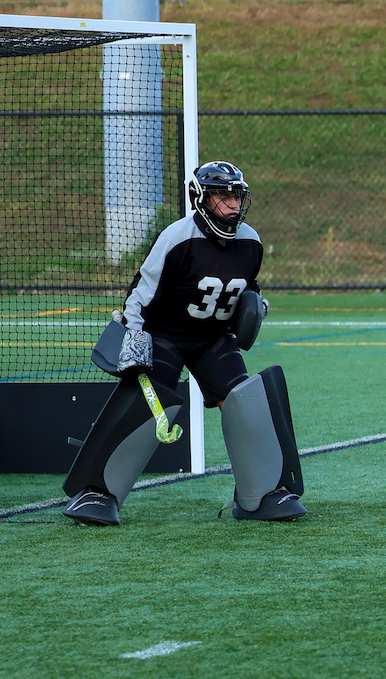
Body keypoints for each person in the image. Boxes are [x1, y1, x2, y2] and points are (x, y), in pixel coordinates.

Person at [62, 161, 306, 526]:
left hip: (213, 338)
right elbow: (141, 294)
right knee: (145, 404)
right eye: (223, 196)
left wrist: (256, 308)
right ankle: (97, 493)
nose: (233, 204)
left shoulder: (251, 242)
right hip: (165, 336)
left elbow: (249, 291)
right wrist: (134, 336)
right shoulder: (177, 238)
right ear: (202, 199)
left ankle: (262, 494)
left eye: (236, 195)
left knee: (244, 399)